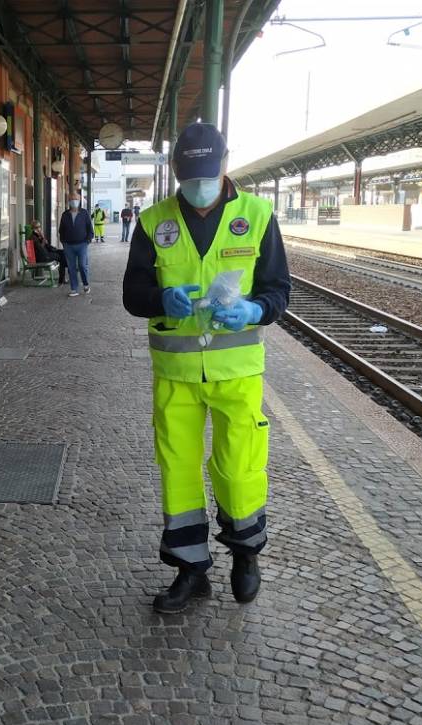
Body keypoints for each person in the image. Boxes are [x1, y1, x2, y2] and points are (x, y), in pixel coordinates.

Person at [122, 122, 290, 613]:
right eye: (190, 175)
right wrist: (160, 298)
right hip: (175, 376)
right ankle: (190, 570)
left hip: (237, 373)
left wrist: (256, 311)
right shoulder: (154, 221)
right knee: (178, 471)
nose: (199, 184)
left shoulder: (257, 215)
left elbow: (279, 289)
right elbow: (132, 295)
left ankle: (245, 554)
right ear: (177, 171)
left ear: (224, 164)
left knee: (239, 469)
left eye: (207, 172)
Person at [58, 196, 93, 297]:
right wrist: (63, 242)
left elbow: (89, 228)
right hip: (68, 245)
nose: (74, 201)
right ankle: (74, 289)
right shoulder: (65, 214)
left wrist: (88, 240)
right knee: (71, 267)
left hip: (82, 244)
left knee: (82, 265)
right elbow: (61, 230)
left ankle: (86, 284)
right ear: (69, 201)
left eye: (76, 199)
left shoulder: (84, 213)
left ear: (79, 200)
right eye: (72, 199)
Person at [31, 220, 66, 285]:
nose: (39, 228)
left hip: (46, 254)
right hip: (42, 257)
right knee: (61, 257)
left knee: (63, 253)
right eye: (37, 227)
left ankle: (63, 278)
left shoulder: (38, 236)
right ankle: (62, 279)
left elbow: (48, 247)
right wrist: (43, 241)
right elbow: (40, 249)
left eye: (39, 226)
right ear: (33, 228)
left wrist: (44, 240)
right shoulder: (33, 237)